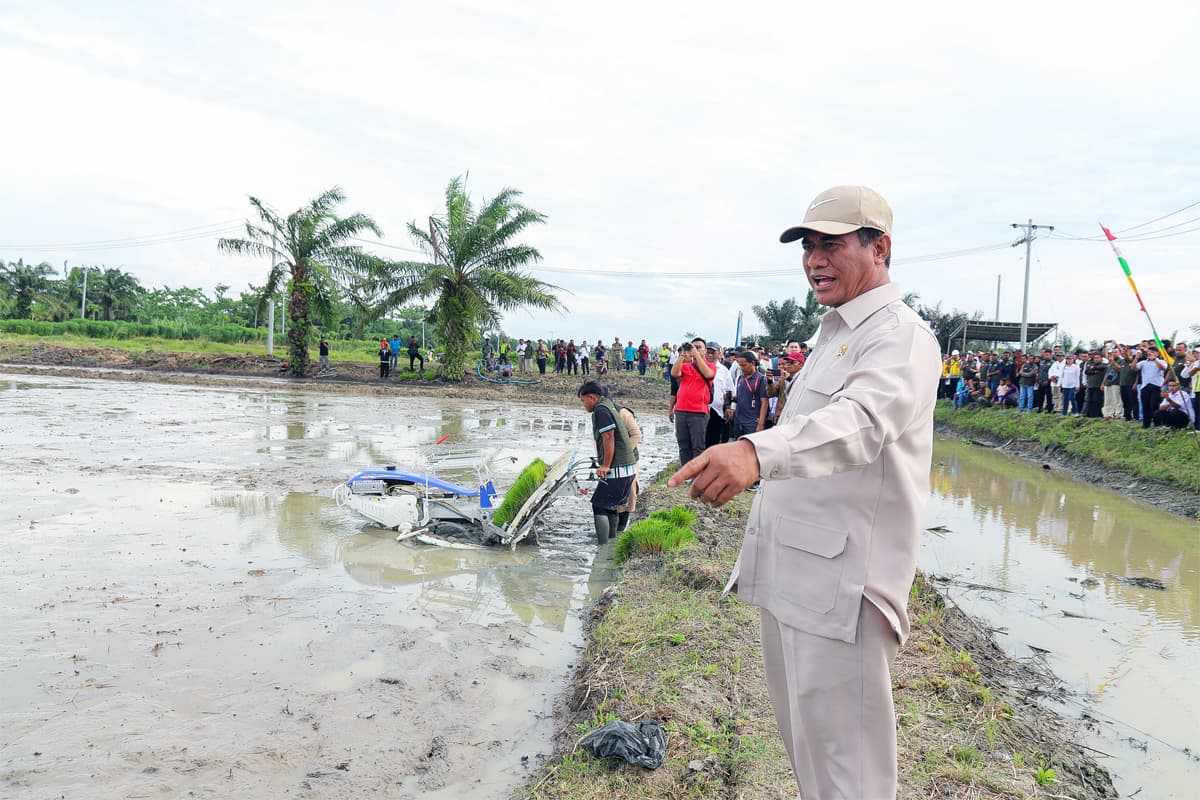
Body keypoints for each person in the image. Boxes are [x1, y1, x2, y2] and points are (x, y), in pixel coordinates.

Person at [668, 185, 940, 799]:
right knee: (810, 758)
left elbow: (861, 423)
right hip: (795, 576)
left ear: (880, 249)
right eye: (809, 246)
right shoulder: (833, 334)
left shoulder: (900, 337)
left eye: (832, 244)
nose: (815, 259)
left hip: (842, 591)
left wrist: (754, 451)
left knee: (850, 774)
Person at [577, 380, 635, 545]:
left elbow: (608, 437)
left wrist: (605, 465)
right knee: (610, 505)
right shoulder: (609, 405)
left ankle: (602, 547)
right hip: (628, 468)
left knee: (599, 505)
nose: (584, 405)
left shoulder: (601, 411)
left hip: (618, 469)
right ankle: (611, 543)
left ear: (592, 397)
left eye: (583, 401)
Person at [731, 350, 768, 438]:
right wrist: (732, 408)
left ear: (752, 363)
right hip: (739, 420)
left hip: (752, 422)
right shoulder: (741, 378)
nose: (741, 368)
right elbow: (738, 397)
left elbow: (765, 402)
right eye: (740, 365)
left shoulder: (761, 379)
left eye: (744, 365)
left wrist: (761, 423)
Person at [1135, 345, 1168, 428]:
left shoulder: (1162, 361)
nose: (1149, 353)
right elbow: (1134, 368)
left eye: (1152, 352)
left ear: (1157, 353)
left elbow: (1163, 368)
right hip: (1145, 386)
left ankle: (1157, 423)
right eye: (1149, 352)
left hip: (1156, 386)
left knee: (1154, 405)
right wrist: (1136, 358)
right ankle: (1146, 424)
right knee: (1145, 405)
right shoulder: (1143, 362)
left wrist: (1155, 359)